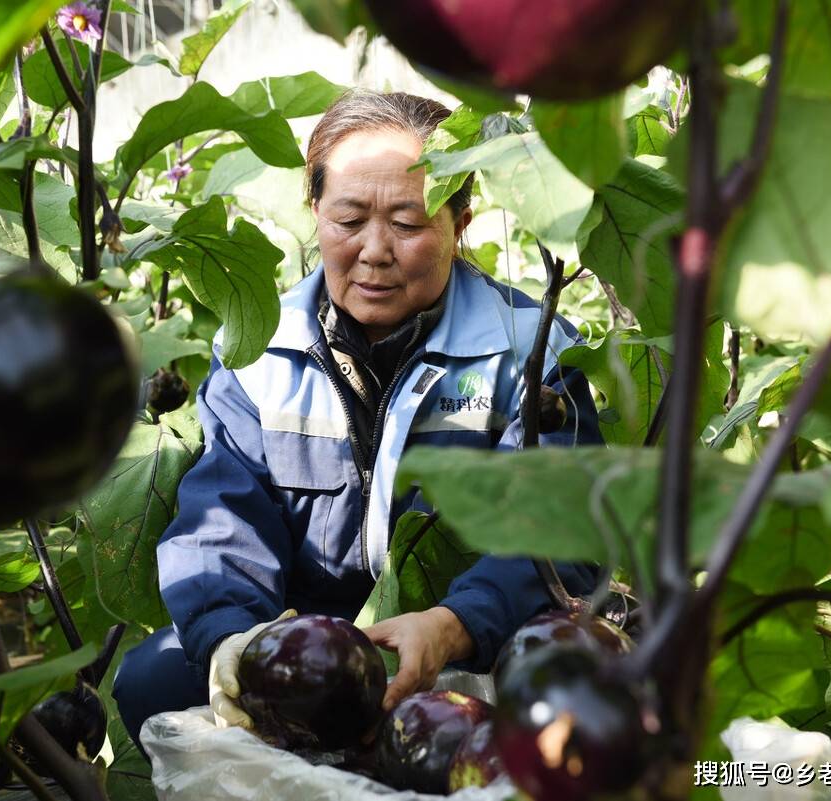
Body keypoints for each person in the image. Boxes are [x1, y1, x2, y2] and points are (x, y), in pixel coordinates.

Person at [113, 90, 602, 753]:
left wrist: (454, 622)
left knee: (578, 683)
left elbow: (559, 525)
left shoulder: (527, 348)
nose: (375, 250)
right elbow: (222, 514)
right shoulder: (260, 351)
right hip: (314, 648)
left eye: (408, 221)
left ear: (461, 220)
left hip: (479, 635)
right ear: (314, 212)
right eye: (348, 219)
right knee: (152, 679)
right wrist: (236, 638)